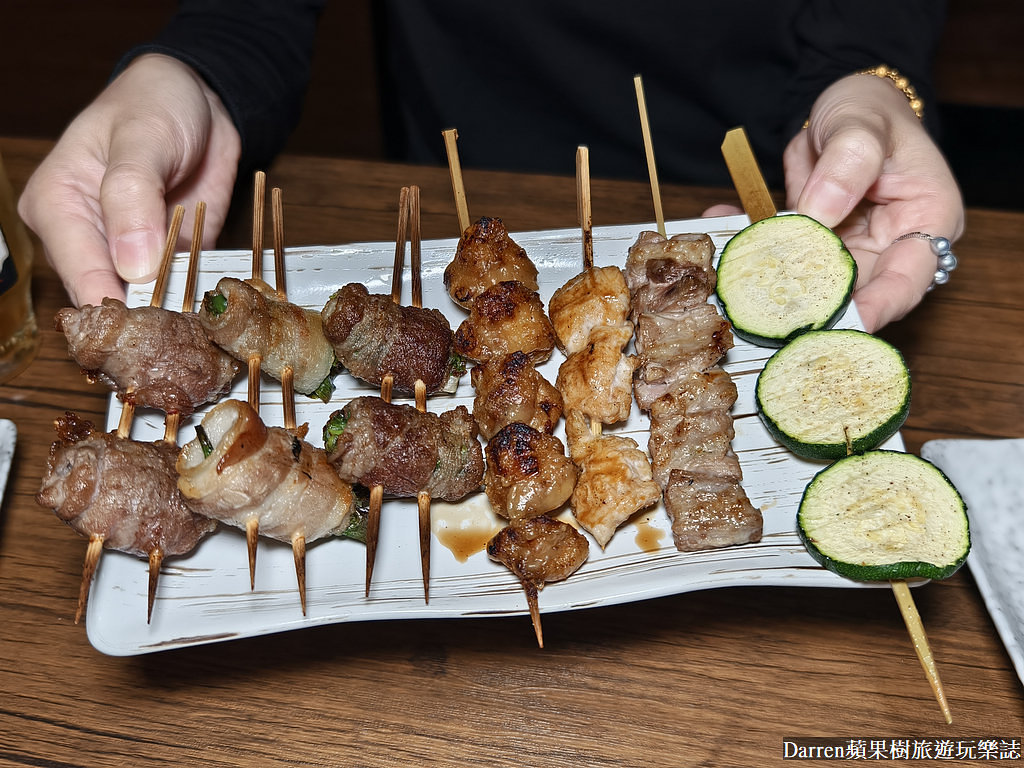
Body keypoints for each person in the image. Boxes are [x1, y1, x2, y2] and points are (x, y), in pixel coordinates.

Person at [18, 0, 963, 332]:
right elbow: (252, 12)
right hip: (448, 182)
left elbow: (872, 16)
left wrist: (872, 83)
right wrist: (192, 70)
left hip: (750, 197)